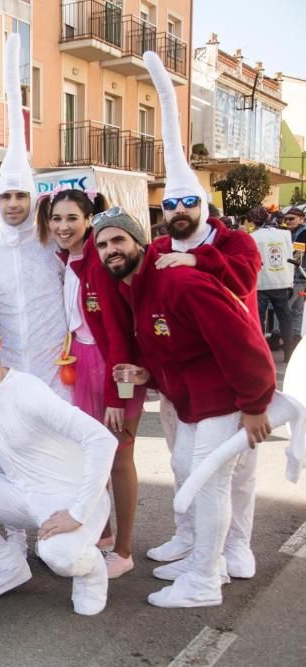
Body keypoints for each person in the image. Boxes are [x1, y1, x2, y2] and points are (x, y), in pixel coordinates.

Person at [93, 207, 276, 608]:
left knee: (207, 485)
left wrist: (255, 405)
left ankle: (204, 582)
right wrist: (148, 378)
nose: (110, 250)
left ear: (139, 243)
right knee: (185, 471)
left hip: (225, 401)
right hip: (193, 403)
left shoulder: (179, 282)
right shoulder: (137, 289)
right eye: (103, 245)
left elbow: (243, 341)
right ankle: (201, 558)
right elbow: (174, 351)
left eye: (118, 240)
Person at [143, 52, 263, 578]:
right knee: (182, 463)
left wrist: (196, 258)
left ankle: (236, 547)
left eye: (187, 203)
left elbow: (241, 281)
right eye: (170, 207)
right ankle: (189, 537)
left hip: (233, 378)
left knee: (234, 471)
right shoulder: (156, 247)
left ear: (204, 205)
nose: (177, 214)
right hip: (179, 379)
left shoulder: (236, 243)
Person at [0, 309, 117, 615]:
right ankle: (6, 563)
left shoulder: (27, 391)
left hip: (73, 499)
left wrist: (78, 512)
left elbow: (101, 439)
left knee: (60, 557)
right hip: (22, 496)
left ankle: (91, 569)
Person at [38, 188, 144, 578]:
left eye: (72, 219)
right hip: (81, 363)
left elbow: (119, 334)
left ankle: (124, 549)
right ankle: (101, 535)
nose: (63, 227)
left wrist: (119, 396)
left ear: (88, 219)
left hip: (113, 368)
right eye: (56, 218)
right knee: (88, 457)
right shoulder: (72, 260)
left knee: (119, 459)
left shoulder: (99, 265)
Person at [0, 35, 68, 399]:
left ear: (34, 197)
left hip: (56, 367)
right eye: (6, 196)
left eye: (20, 195)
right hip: (6, 370)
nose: (12, 204)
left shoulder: (54, 242)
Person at [249, 207, 296, 361]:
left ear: (254, 220)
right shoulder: (285, 234)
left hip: (262, 282)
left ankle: (262, 353)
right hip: (281, 280)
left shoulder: (253, 237)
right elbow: (290, 255)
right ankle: (289, 352)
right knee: (285, 318)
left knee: (260, 318)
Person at [283, 206, 306, 344]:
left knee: (288, 306)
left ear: (301, 218)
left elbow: (298, 255)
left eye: (291, 219)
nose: (288, 221)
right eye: (286, 219)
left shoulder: (303, 233)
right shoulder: (288, 232)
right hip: (293, 275)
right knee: (297, 307)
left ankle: (280, 334)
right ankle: (296, 335)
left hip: (297, 275)